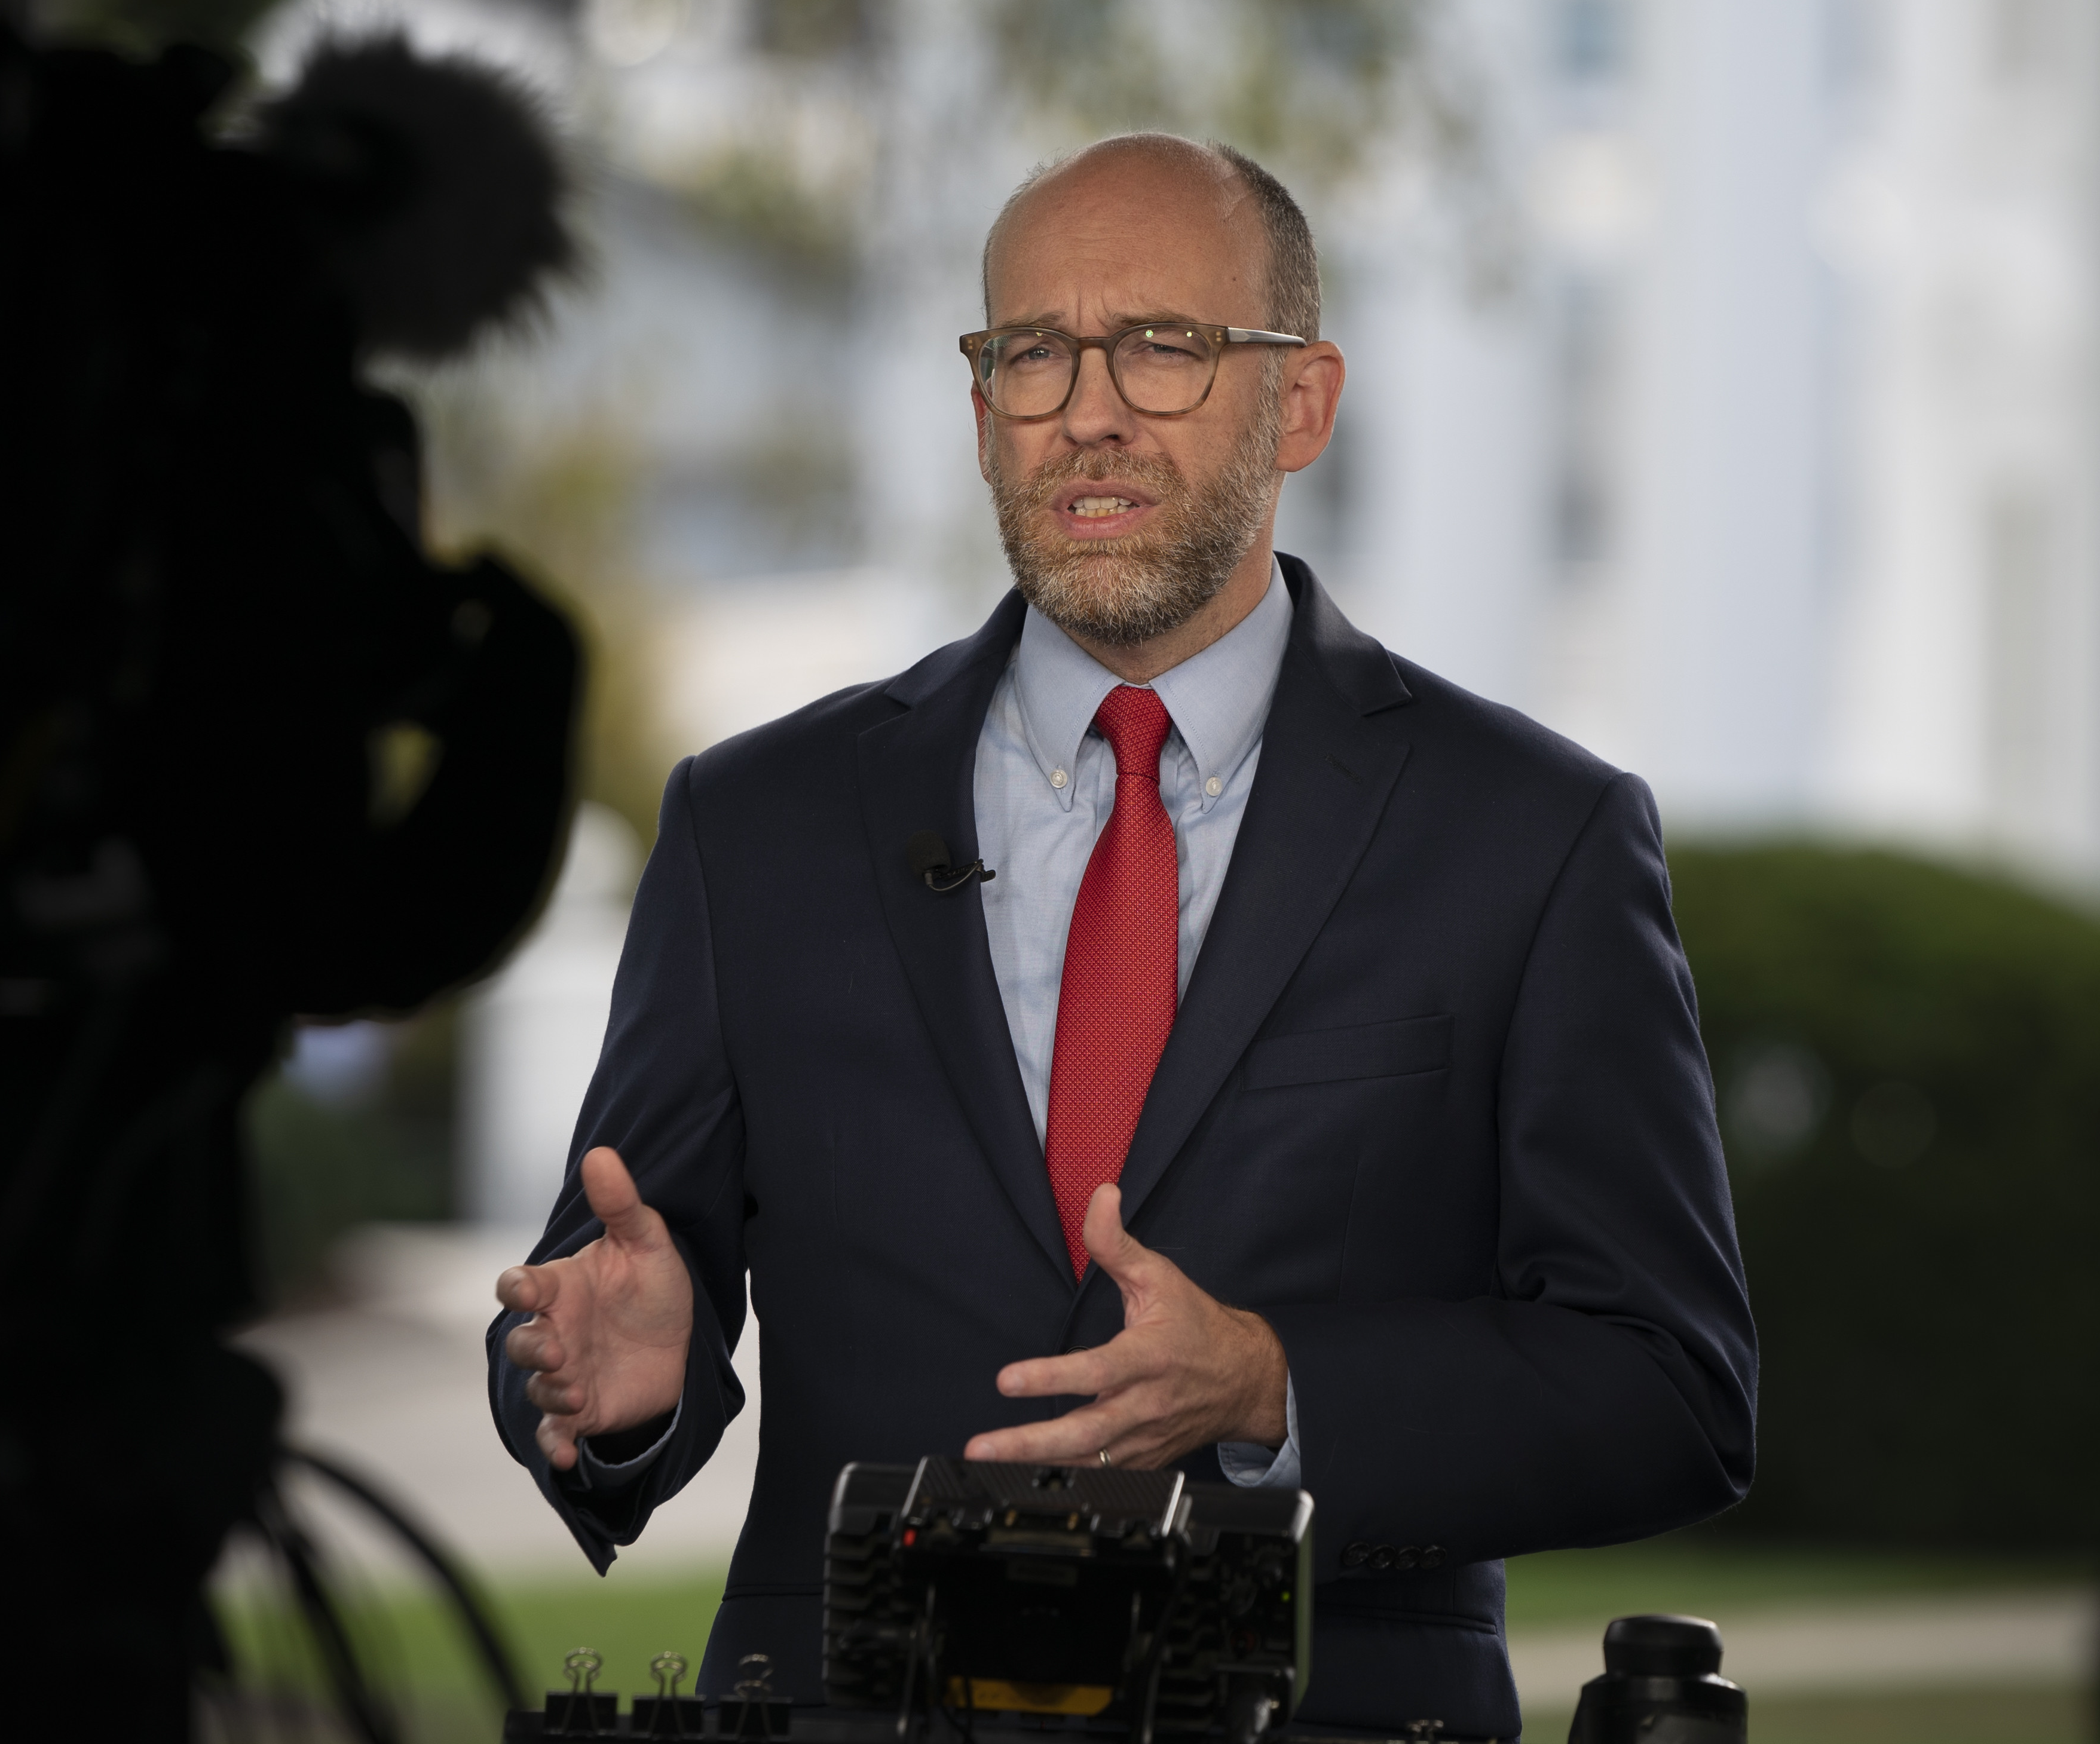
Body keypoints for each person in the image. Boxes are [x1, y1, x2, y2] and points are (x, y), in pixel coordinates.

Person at [486, 133, 1755, 1737]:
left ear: (1301, 401)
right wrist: (616, 1393)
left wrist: (1276, 1389)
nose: (1087, 410)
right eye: (1033, 354)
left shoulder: (1530, 836)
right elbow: (588, 1298)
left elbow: (1670, 1386)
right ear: (980, 414)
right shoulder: (758, 828)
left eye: (1162, 348)